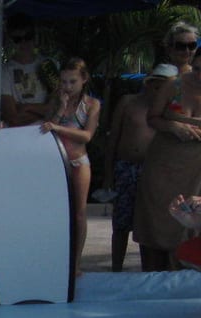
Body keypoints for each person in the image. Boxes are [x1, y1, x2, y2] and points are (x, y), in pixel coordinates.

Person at [101, 64, 175, 271]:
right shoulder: (129, 102)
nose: (158, 90)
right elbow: (113, 138)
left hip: (155, 171)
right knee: (122, 222)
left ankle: (148, 268)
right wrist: (108, 175)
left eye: (163, 86)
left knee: (148, 223)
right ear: (148, 83)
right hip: (126, 167)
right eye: (155, 85)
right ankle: (116, 267)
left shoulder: (171, 110)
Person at [134, 46, 201, 271]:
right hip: (163, 164)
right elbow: (152, 118)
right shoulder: (175, 84)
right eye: (198, 69)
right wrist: (172, 125)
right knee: (156, 223)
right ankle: (152, 278)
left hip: (195, 169)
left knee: (189, 222)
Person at [41, 58, 101, 277]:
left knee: (78, 213)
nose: (67, 87)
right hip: (56, 161)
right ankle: (56, 257)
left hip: (78, 161)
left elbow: (87, 135)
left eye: (72, 82)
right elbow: (45, 128)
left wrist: (58, 127)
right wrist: (61, 109)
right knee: (55, 213)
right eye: (64, 81)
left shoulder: (92, 105)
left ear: (84, 80)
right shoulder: (56, 100)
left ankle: (76, 262)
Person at [0, 13, 57, 127]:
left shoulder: (48, 65)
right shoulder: (4, 72)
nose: (23, 43)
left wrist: (26, 107)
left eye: (28, 37)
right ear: (10, 40)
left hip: (47, 134)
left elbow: (59, 106)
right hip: (17, 136)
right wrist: (45, 110)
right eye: (17, 39)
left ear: (34, 37)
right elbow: (12, 118)